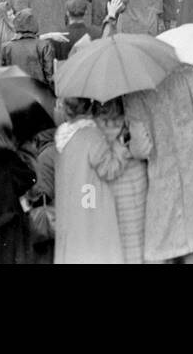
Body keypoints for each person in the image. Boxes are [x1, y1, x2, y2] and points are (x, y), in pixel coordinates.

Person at [123, 61, 193, 262]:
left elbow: (142, 148)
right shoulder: (188, 78)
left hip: (164, 181)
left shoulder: (135, 94)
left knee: (162, 248)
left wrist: (127, 149)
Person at [53, 99, 124, 264]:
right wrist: (120, 146)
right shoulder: (91, 135)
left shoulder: (62, 136)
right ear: (90, 107)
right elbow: (109, 169)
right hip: (91, 205)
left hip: (71, 207)